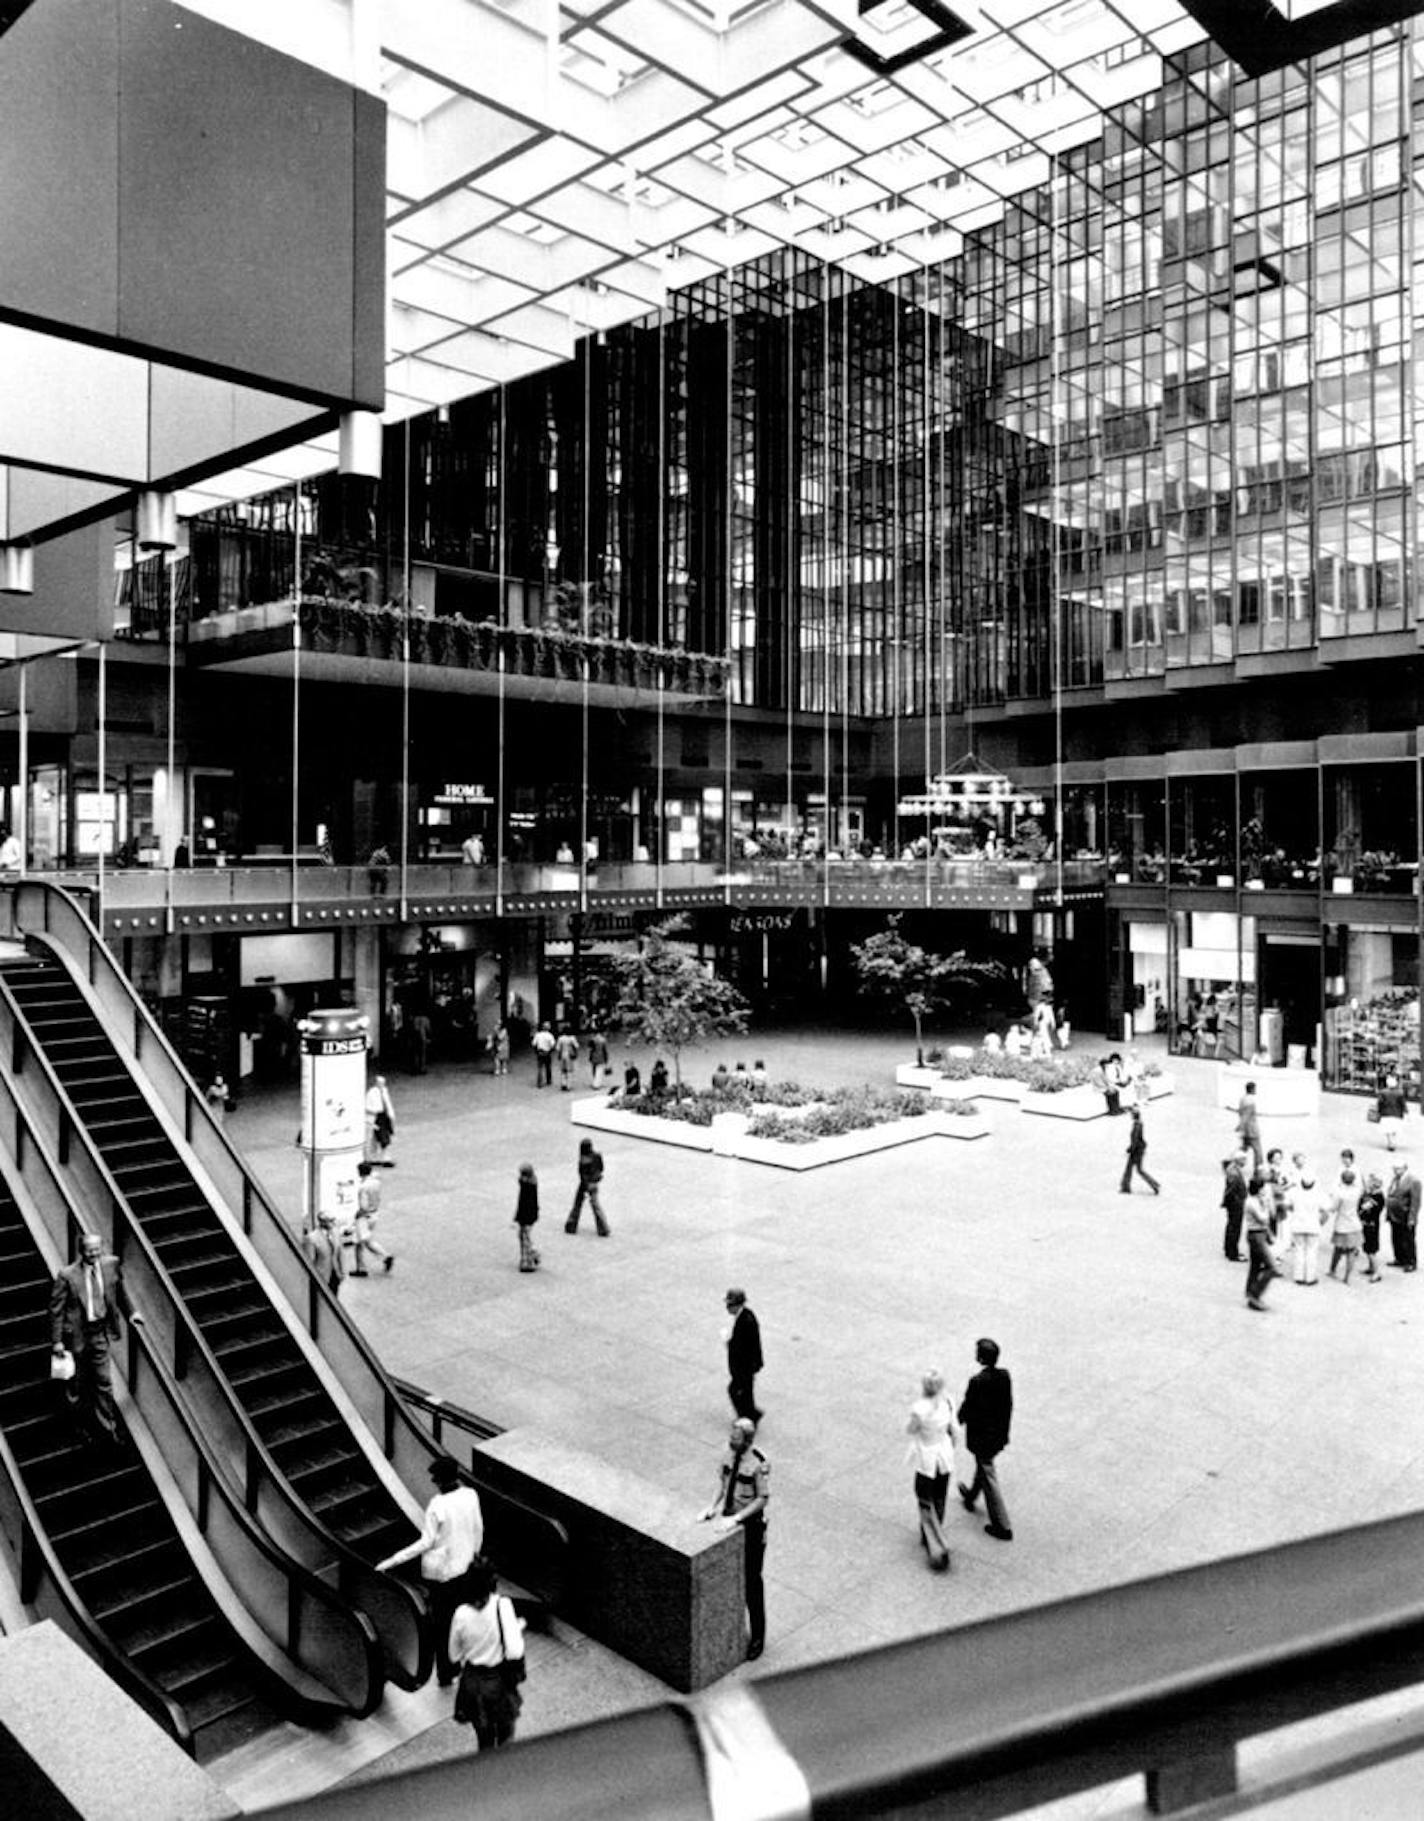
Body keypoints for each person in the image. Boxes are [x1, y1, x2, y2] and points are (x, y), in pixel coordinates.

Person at [376, 1455, 485, 1687]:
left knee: (442, 1625)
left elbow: (425, 1543)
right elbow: (478, 1530)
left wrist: (392, 1561)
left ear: (439, 1481)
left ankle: (446, 1672)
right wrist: (472, 1556)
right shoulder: (470, 1495)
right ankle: (461, 1662)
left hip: (443, 1575)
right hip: (465, 1569)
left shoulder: (438, 1505)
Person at [49, 1233, 144, 1444]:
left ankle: (108, 1430)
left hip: (100, 1333)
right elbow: (56, 1310)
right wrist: (57, 1341)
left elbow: (119, 1293)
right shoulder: (67, 1275)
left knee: (104, 1382)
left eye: (97, 1249)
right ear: (81, 1251)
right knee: (76, 1385)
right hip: (75, 1337)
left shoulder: (111, 1265)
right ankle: (77, 1428)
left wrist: (132, 1313)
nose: (94, 1253)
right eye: (90, 1250)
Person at [700, 1417, 769, 1660]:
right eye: (731, 1436)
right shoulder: (728, 1454)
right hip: (728, 1521)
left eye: (736, 1438)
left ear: (747, 1441)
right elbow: (723, 1482)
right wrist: (712, 1507)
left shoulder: (758, 1463)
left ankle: (758, 1636)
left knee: (751, 1581)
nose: (731, 1441)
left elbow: (762, 1498)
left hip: (750, 1526)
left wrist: (739, 1517)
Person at [449, 1560, 526, 1750]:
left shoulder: (461, 1614)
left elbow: (453, 1655)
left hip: (473, 1683)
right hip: (498, 1681)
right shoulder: (503, 1605)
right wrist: (517, 1628)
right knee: (506, 1735)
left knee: (484, 1739)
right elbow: (514, 1651)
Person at [956, 1338, 1013, 1541]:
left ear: (980, 1357)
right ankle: (971, 1495)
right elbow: (1008, 1406)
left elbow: (967, 1407)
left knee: (988, 1472)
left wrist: (954, 1424)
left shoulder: (977, 1382)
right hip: (997, 1435)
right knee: (983, 1465)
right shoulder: (1005, 1376)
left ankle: (1002, 1525)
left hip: (982, 1437)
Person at [906, 1369, 958, 1572]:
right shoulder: (948, 1402)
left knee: (924, 1500)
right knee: (939, 1496)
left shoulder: (920, 1408)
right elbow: (954, 1430)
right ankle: (936, 1529)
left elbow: (910, 1429)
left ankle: (935, 1543)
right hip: (944, 1455)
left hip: (927, 1458)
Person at [723, 1288, 763, 1424]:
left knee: (736, 1391)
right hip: (746, 1365)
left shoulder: (746, 1320)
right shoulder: (744, 1316)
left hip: (744, 1365)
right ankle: (751, 1414)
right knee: (745, 1392)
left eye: (729, 1305)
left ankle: (748, 1417)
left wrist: (729, 1343)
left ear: (737, 1305)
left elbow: (746, 1345)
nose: (727, 1308)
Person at [1243, 1171, 1278, 1311]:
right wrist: (1266, 1205)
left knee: (1255, 1266)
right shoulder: (1252, 1203)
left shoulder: (1255, 1200)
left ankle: (1250, 1291)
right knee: (1271, 1267)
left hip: (1258, 1234)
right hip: (1256, 1235)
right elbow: (1263, 1218)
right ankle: (1255, 1295)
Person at [1326, 1157, 1364, 1284]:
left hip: (1342, 1225)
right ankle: (1347, 1277)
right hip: (1354, 1224)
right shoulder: (1357, 1191)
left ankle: (1332, 1269)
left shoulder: (1340, 1194)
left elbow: (1333, 1208)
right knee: (1351, 1252)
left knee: (1338, 1249)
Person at [352, 1162, 394, 1275]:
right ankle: (383, 1257)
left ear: (360, 1172)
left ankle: (362, 1268)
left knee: (360, 1241)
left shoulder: (363, 1187)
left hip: (364, 1217)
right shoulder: (376, 1182)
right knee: (365, 1240)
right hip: (374, 1213)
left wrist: (357, 1215)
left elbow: (363, 1206)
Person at [566, 1137, 610, 1236]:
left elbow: (582, 1175)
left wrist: (585, 1186)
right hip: (595, 1183)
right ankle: (603, 1228)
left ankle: (571, 1225)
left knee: (577, 1204)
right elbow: (602, 1168)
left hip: (585, 1184)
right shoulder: (598, 1156)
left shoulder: (583, 1160)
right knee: (596, 1206)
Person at [1385, 1156, 1420, 1271]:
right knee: (1396, 1238)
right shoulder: (1396, 1179)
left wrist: (1412, 1218)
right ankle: (1399, 1258)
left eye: (1398, 1169)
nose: (1396, 1171)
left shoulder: (1413, 1181)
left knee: (1408, 1240)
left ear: (1405, 1168)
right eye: (1394, 1169)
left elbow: (1415, 1202)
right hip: (1394, 1215)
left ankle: (1410, 1261)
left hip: (1405, 1216)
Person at [302, 1211, 346, 1297]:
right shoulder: (312, 1238)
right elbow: (310, 1262)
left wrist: (342, 1271)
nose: (334, 1223)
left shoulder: (336, 1233)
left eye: (334, 1220)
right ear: (322, 1222)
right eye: (330, 1221)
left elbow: (340, 1252)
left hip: (335, 1275)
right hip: (322, 1277)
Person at [1119, 1104, 1160, 1195]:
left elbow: (1135, 1139)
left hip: (1137, 1150)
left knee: (1136, 1169)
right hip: (1139, 1148)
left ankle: (1153, 1184)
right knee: (1133, 1169)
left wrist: (1130, 1149)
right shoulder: (1139, 1124)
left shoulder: (1136, 1126)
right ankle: (1126, 1186)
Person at [1221, 1150, 1249, 1262]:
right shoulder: (1234, 1172)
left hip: (1234, 1202)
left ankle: (1229, 1248)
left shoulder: (1233, 1169)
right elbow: (1231, 1190)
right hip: (1236, 1203)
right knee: (1235, 1227)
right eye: (1244, 1160)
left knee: (1231, 1226)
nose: (1246, 1162)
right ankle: (1233, 1252)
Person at [1358, 1170, 1386, 1283]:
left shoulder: (1378, 1197)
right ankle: (1370, 1268)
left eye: (1371, 1181)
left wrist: (1364, 1197)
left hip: (1371, 1225)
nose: (1369, 1182)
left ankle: (1376, 1272)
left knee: (1371, 1250)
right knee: (1366, 1247)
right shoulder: (1371, 1194)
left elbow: (1364, 1207)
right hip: (1366, 1224)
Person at [514, 1162, 541, 1273]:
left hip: (526, 1216)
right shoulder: (531, 1183)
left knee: (524, 1237)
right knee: (524, 1236)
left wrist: (520, 1217)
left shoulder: (527, 1186)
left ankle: (528, 1261)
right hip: (529, 1215)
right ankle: (533, 1255)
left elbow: (524, 1204)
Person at [365, 1074, 396, 1166]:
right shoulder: (371, 1092)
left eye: (383, 1083)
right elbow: (366, 1106)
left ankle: (384, 1158)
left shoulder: (384, 1091)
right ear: (376, 1083)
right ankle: (374, 1158)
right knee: (377, 1138)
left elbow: (388, 1103)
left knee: (385, 1137)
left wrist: (391, 1114)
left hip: (384, 1116)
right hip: (376, 1116)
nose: (382, 1085)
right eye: (380, 1083)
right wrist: (375, 1110)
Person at [1236, 1081, 1263, 1171]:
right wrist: (1241, 1125)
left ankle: (1233, 1162)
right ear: (1252, 1089)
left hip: (1246, 1129)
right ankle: (1259, 1168)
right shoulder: (1250, 1100)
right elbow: (1246, 1115)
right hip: (1252, 1129)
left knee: (1244, 1148)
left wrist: (1241, 1126)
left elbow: (1241, 1113)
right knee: (1258, 1151)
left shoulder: (1243, 1099)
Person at [1376, 1073, 1408, 1151]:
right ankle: (1392, 1142)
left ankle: (1390, 1143)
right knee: (1394, 1128)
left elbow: (1380, 1103)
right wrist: (1405, 1111)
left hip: (1386, 1113)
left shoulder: (1383, 1092)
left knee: (1387, 1129)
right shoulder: (1400, 1093)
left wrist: (1379, 1111)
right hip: (1397, 1114)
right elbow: (1403, 1103)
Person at [1100, 1052, 1126, 1116]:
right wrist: (1117, 1081)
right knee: (1113, 1093)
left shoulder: (1118, 1067)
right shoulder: (1109, 1067)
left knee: (1116, 1094)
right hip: (1110, 1084)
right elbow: (1109, 1078)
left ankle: (1117, 1108)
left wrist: (1122, 1080)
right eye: (1115, 1060)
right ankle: (1113, 1110)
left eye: (1117, 1060)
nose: (1116, 1061)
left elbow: (1121, 1075)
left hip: (1116, 1083)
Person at [555, 1025, 580, 1090]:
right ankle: (569, 1085)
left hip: (562, 1055)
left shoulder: (560, 1038)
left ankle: (563, 1084)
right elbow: (577, 1046)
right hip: (569, 1055)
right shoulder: (572, 1038)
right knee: (570, 1070)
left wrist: (558, 1055)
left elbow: (557, 1048)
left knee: (563, 1070)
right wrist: (576, 1054)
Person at [532, 1021, 556, 1088]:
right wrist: (551, 1051)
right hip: (547, 1053)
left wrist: (536, 1052)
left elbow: (534, 1044)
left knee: (540, 1068)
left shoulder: (538, 1035)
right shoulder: (550, 1036)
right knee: (548, 1067)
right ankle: (548, 1080)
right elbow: (553, 1045)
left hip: (540, 1052)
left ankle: (539, 1082)